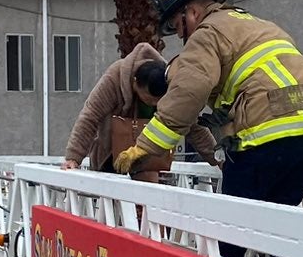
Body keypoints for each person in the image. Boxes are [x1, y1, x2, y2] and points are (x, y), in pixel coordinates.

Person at [116, 0, 303, 248]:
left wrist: (143, 147)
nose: (182, 36)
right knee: (282, 223)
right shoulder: (257, 24)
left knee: (230, 228)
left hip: (271, 134)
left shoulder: (206, 34)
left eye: (178, 26)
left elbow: (187, 94)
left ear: (193, 12)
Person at [61, 43, 219, 170]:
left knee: (147, 206)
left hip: (151, 161)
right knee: (111, 207)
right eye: (149, 99)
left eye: (159, 101)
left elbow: (192, 126)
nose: (154, 104)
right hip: (110, 158)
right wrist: (73, 158)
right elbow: (90, 116)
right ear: (135, 82)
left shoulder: (171, 83)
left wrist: (217, 159)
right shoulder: (115, 77)